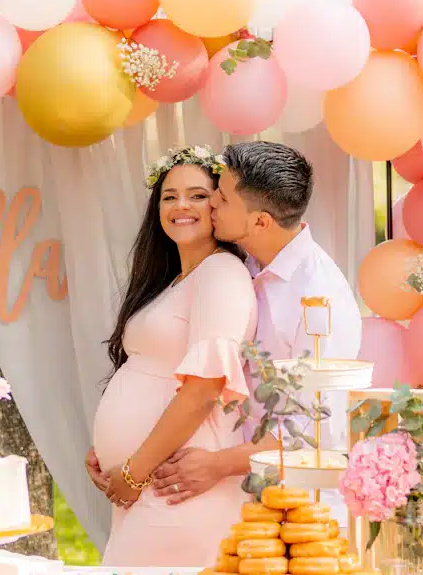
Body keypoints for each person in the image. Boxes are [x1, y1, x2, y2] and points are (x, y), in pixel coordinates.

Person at [150, 141, 363, 527]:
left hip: (301, 509)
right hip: (239, 499)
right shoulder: (240, 262)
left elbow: (312, 431)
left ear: (261, 222)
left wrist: (217, 464)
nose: (211, 203)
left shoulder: (318, 300)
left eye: (223, 198)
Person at [84, 145, 258, 567]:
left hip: (172, 484)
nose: (182, 205)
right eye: (169, 196)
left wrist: (132, 470)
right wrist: (109, 452)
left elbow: (202, 392)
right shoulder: (175, 281)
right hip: (145, 482)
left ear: (219, 205)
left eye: (198, 195)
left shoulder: (221, 274)